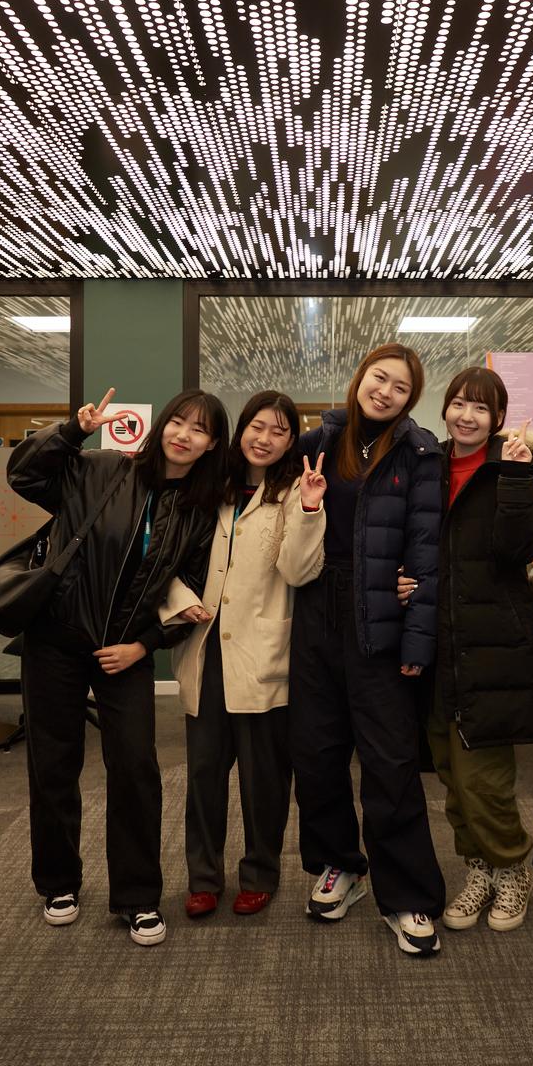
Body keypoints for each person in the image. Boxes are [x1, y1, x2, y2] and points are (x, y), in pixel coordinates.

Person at [7, 387, 228, 946]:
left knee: (135, 769)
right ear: (163, 427)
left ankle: (137, 897)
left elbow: (194, 595)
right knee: (53, 763)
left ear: (212, 444)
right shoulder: (102, 468)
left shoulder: (200, 512)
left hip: (124, 652)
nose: (183, 434)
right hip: (56, 639)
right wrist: (69, 432)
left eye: (199, 429)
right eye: (178, 421)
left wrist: (144, 645)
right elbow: (25, 478)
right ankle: (58, 881)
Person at [289, 343, 446, 956]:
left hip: (381, 614)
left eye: (400, 387)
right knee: (317, 755)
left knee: (391, 763)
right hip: (315, 613)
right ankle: (340, 864)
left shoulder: (419, 451)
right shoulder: (315, 441)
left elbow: (426, 553)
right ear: (360, 378)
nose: (385, 391)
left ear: (410, 399)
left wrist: (416, 641)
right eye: (379, 378)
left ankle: (408, 895)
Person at [158, 392, 327, 920]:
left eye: (279, 431)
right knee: (204, 776)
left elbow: (300, 572)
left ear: (291, 440)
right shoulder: (212, 487)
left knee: (264, 781)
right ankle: (203, 879)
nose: (264, 438)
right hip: (206, 651)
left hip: (263, 656)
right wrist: (182, 602)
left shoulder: (296, 491)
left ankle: (259, 874)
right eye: (257, 426)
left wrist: (308, 508)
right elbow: (168, 557)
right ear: (240, 432)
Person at [399, 366, 533, 932]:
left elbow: (519, 551)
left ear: (498, 419)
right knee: (452, 780)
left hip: (491, 646)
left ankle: (512, 869)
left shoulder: (510, 469)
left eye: (481, 408)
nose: (467, 415)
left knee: (485, 779)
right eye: (459, 403)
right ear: (445, 410)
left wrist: (513, 477)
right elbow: (403, 539)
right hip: (433, 645)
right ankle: (479, 869)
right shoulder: (424, 467)